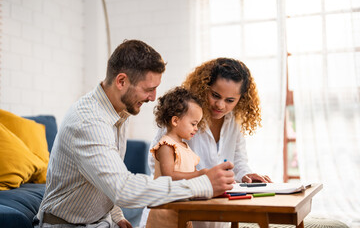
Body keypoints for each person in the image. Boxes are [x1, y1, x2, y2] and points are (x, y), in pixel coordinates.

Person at [35, 40, 235, 228]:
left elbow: (102, 175)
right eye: (149, 89)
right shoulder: (89, 121)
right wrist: (203, 184)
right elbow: (122, 188)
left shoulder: (119, 112)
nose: (153, 97)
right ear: (121, 81)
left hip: (101, 222)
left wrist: (116, 215)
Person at [140, 57, 272, 228]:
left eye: (230, 100)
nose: (220, 105)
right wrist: (199, 178)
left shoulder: (234, 122)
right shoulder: (184, 116)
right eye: (215, 95)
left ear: (241, 99)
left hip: (216, 216)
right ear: (204, 88)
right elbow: (158, 163)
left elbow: (237, 162)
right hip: (175, 214)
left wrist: (246, 175)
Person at [146, 87, 208, 228]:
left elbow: (188, 179)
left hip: (181, 209)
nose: (196, 128)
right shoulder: (166, 145)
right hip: (165, 212)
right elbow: (169, 175)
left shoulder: (185, 147)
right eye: (193, 124)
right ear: (175, 121)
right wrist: (199, 174)